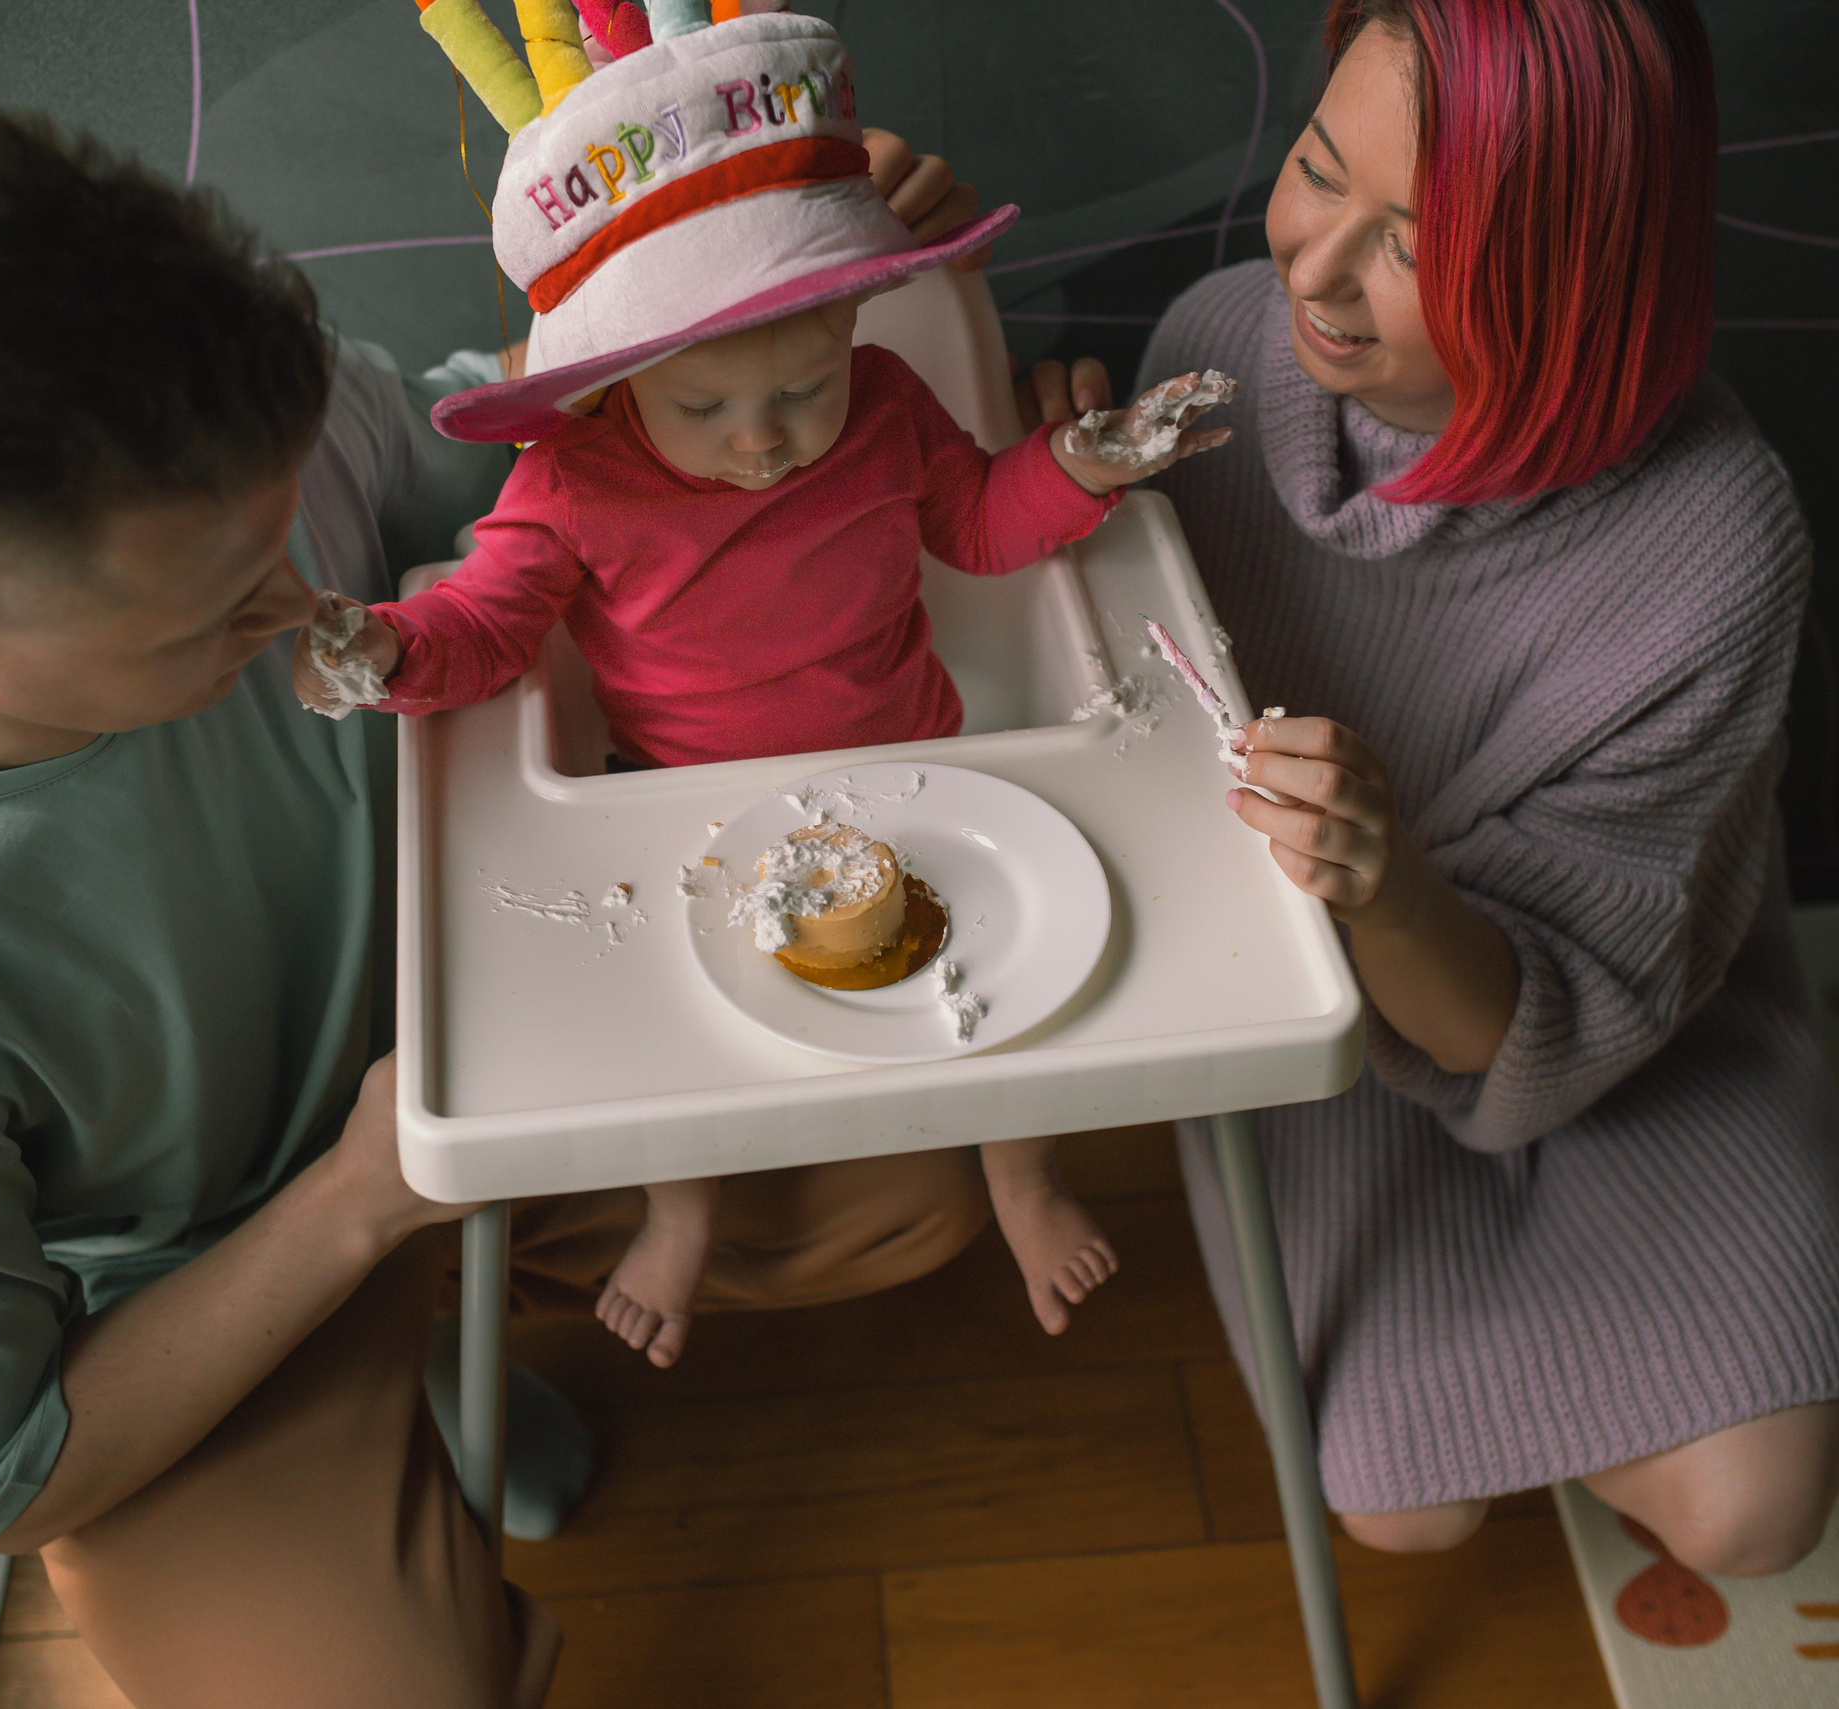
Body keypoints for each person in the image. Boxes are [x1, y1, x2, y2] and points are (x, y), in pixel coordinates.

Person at [0, 99, 991, 1709]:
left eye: (281, 530)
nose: (305, 604)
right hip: (212, 1296)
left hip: (487, 1040)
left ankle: (448, 1345)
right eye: (220, 615)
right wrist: (364, 1195)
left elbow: (515, 458)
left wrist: (763, 280)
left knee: (925, 1180)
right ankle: (382, 1414)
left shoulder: (231, 439)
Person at [1018, 0, 1839, 1576]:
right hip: (1323, 1019)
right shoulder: (1216, 351)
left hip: (1618, 1020)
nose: (1317, 269)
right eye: (1314, 168)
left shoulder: (1718, 541)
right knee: (1403, 1511)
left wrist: (1395, 882)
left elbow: (1555, 1007)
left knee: (1748, 1516)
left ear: (1575, 275)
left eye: (1413, 244)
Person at [294, 9, 1234, 1367]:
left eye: (804, 389)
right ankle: (683, 1208)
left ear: (855, 318)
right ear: (619, 377)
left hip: (913, 764)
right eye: (706, 411)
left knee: (994, 973)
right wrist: (389, 651)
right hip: (678, 799)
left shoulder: (888, 404)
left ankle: (1021, 1175)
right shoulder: (572, 478)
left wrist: (1085, 463)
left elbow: (979, 526)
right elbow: (487, 626)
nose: (765, 444)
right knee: (671, 1032)